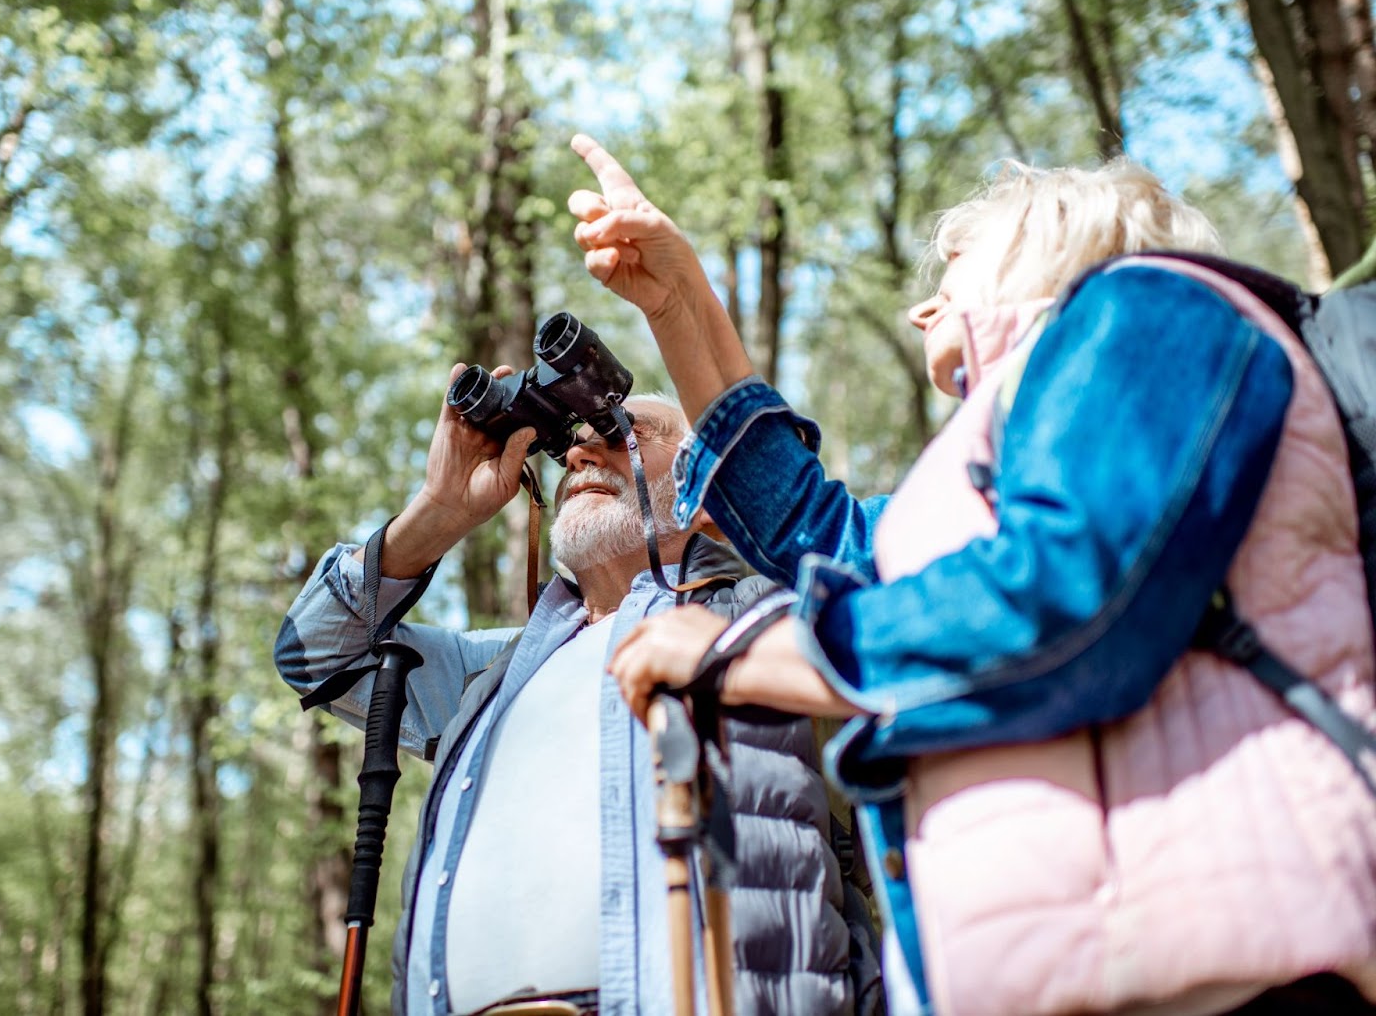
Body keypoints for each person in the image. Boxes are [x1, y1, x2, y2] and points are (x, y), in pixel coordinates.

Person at [567, 135, 1376, 1016]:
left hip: (1244, 974)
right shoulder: (991, 462)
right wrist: (680, 298)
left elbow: (1067, 593)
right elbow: (821, 535)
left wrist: (741, 657)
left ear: (1053, 235)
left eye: (950, 270)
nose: (920, 311)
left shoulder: (1157, 305)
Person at [273, 375, 879, 1016]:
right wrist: (439, 512)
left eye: (626, 434)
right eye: (573, 447)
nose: (583, 454)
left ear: (710, 495)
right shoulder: (496, 676)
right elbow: (315, 653)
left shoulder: (770, 622)